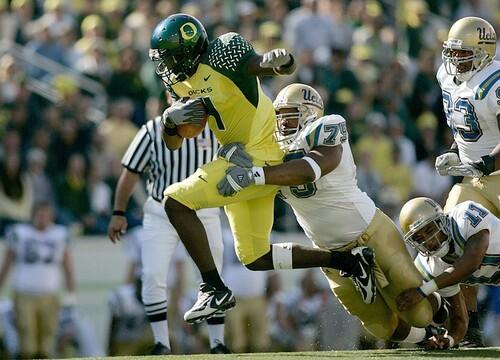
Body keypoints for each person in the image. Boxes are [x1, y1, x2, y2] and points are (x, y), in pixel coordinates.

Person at [148, 13, 375, 324]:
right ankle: (349, 262)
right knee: (255, 257)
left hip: (262, 154)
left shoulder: (223, 53)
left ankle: (213, 288)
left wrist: (279, 61)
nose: (167, 66)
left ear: (187, 51)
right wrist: (169, 121)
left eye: (170, 57)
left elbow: (266, 65)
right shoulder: (178, 82)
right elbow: (174, 143)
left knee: (175, 201)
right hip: (239, 159)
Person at [217, 83, 446, 346]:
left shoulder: (327, 125)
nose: (281, 122)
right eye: (279, 116)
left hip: (370, 231)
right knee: (381, 326)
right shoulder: (272, 150)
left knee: (417, 309)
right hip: (332, 254)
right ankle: (426, 338)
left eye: (289, 114)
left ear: (309, 113)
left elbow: (311, 168)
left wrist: (254, 175)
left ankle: (444, 310)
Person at [107, 108, 230, 354]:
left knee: (212, 275)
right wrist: (118, 212)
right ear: (167, 96)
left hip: (203, 209)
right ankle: (161, 342)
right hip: (160, 211)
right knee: (152, 274)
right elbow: (131, 170)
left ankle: (217, 342)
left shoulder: (215, 127)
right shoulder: (151, 129)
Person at [434, 16, 499, 347]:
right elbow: (464, 123)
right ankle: (467, 321)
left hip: (493, 171)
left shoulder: (494, 82)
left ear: (485, 53)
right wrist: (455, 152)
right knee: (454, 235)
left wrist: (482, 162)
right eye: (453, 53)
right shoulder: (447, 76)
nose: (456, 61)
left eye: (464, 54)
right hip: (476, 176)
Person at [397, 197, 500, 349]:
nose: (429, 241)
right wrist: (449, 339)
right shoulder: (431, 267)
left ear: (441, 221)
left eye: (430, 230)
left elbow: (470, 264)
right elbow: (459, 319)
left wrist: (423, 290)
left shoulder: (464, 217)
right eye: (419, 238)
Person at [0, 202, 76, 359]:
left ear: (51, 217)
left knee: (47, 341)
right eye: (39, 214)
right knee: (27, 339)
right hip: (24, 293)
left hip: (50, 294)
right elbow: (7, 264)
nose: (42, 218)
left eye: (45, 215)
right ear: (32, 215)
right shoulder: (19, 232)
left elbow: (68, 266)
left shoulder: (59, 234)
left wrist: (71, 293)